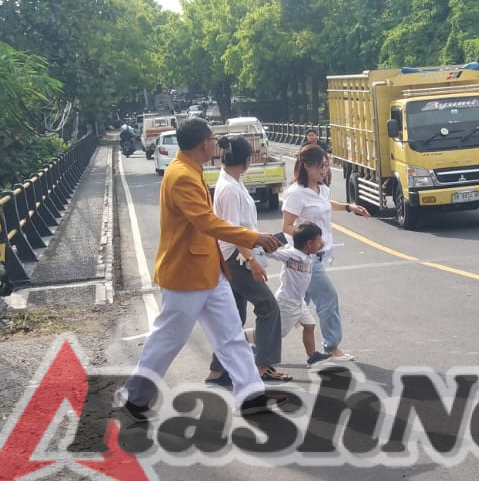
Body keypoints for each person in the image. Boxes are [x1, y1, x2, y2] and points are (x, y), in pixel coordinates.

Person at [120, 118, 288, 421]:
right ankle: (135, 397)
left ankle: (250, 395)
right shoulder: (182, 174)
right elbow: (206, 222)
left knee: (231, 335)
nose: (215, 144)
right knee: (169, 337)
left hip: (210, 271)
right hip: (186, 274)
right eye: (212, 138)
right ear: (203, 144)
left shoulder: (189, 169)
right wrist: (252, 238)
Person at [202, 136, 290, 389]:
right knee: (267, 307)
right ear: (247, 159)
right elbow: (231, 230)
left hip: (236, 254)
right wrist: (251, 260)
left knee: (235, 317)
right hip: (236, 256)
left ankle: (217, 372)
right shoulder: (229, 189)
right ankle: (263, 365)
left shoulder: (231, 182)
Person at [280, 144, 370, 366]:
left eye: (327, 165)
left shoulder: (322, 188)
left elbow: (325, 204)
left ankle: (255, 339)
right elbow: (287, 226)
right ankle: (332, 347)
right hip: (305, 259)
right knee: (328, 298)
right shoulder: (295, 194)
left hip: (317, 257)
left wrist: (349, 207)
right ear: (307, 166)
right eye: (321, 166)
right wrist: (307, 242)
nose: (325, 170)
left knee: (290, 312)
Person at [260, 221, 329, 368]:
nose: (321, 244)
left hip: (299, 301)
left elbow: (321, 245)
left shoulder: (310, 254)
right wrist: (266, 243)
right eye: (318, 240)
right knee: (277, 333)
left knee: (309, 325)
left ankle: (312, 357)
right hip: (286, 302)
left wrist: (318, 241)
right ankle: (245, 340)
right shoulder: (291, 254)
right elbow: (270, 252)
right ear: (309, 243)